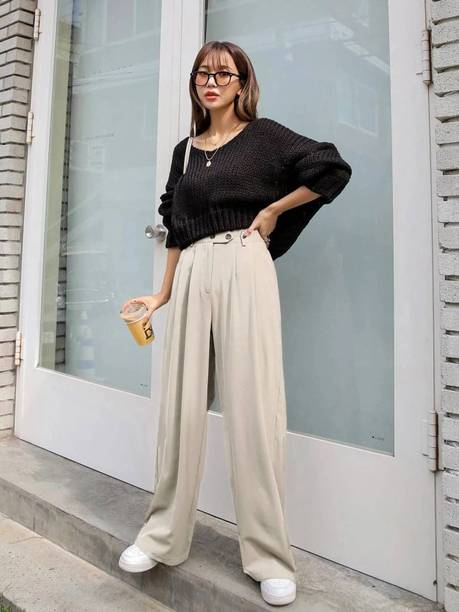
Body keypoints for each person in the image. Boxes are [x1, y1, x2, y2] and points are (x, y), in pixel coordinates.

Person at [118, 40, 352, 607]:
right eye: (203, 73)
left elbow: (330, 167)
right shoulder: (185, 151)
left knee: (253, 408)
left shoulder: (264, 136)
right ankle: (162, 535)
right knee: (180, 408)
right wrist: (162, 293)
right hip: (192, 269)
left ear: (243, 83)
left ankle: (269, 556)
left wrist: (272, 210)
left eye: (224, 73)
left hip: (245, 262)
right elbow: (175, 224)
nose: (211, 81)